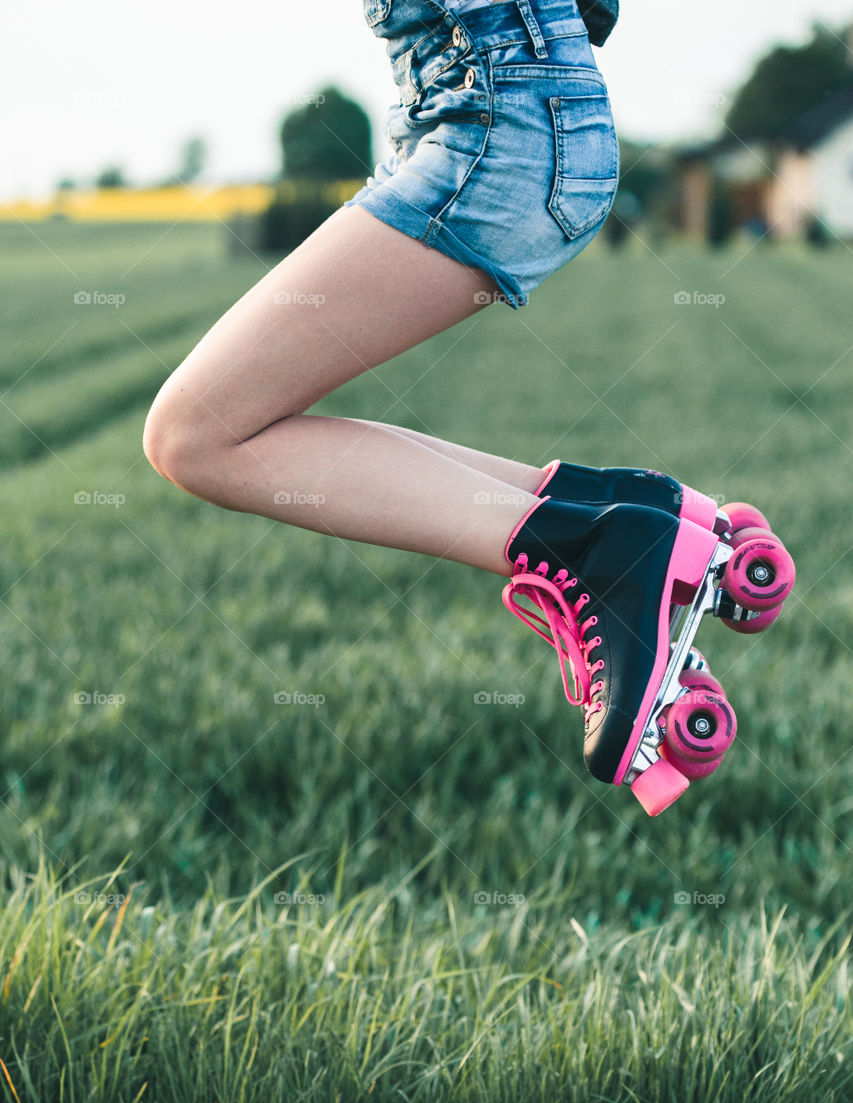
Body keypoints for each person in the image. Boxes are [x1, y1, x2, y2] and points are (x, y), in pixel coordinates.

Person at [143, 0, 793, 815]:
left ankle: (605, 553)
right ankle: (620, 515)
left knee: (198, 434)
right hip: (479, 109)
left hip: (494, 122)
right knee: (207, 430)